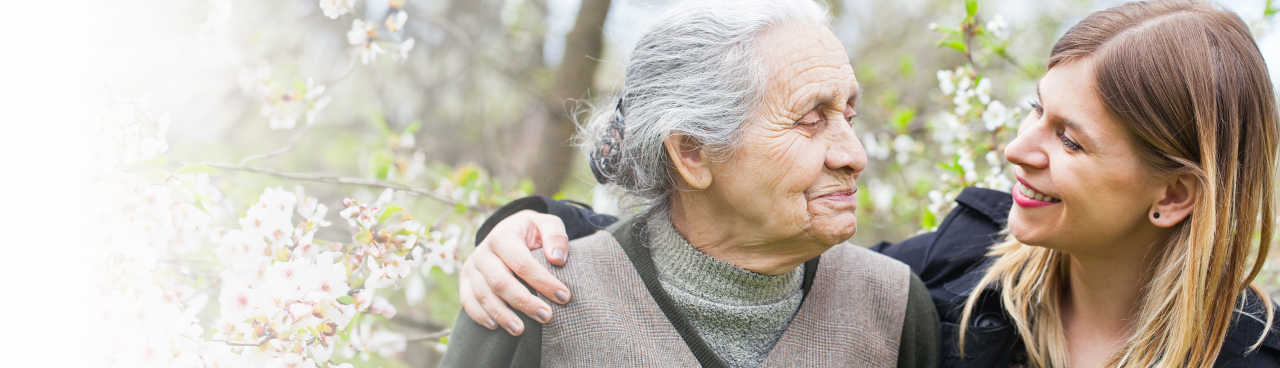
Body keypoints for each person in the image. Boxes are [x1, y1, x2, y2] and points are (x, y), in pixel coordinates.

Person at [455, 0, 1280, 367]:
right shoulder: (955, 285)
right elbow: (727, 251)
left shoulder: (1252, 355)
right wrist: (527, 227)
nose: (1017, 149)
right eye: (1036, 112)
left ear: (1173, 195)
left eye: (1069, 139)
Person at [438, 1, 940, 367]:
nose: (854, 155)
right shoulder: (533, 297)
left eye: (849, 114)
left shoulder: (893, 306)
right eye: (811, 118)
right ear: (694, 153)